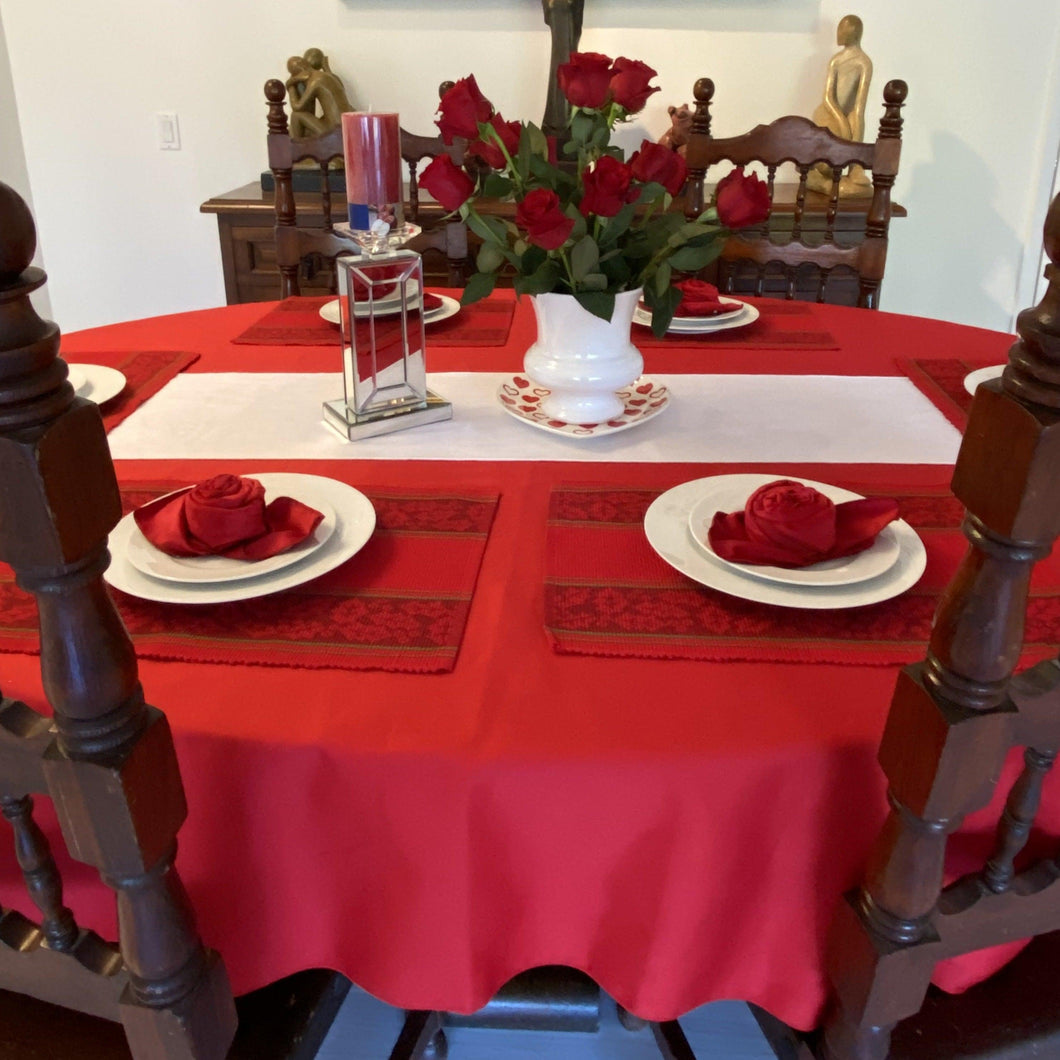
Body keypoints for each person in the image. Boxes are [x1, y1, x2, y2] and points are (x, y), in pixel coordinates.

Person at [808, 15, 873, 196]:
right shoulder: (836, 60)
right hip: (828, 114)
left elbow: (859, 108)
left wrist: (851, 135)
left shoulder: (863, 63)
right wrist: (842, 124)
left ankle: (855, 168)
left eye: (842, 30)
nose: (839, 34)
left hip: (848, 115)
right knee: (825, 163)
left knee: (856, 118)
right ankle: (819, 177)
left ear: (854, 33)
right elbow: (828, 98)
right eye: (839, 29)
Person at [284, 50, 353, 137]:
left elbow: (297, 107)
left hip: (335, 131)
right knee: (306, 131)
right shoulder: (329, 76)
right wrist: (325, 67)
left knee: (296, 116)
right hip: (347, 125)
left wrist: (291, 85)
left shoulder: (314, 81)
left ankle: (295, 148)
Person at [541, 0, 584, 137]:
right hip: (558, 10)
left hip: (566, 11)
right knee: (561, 59)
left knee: (565, 58)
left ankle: (562, 119)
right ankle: (557, 119)